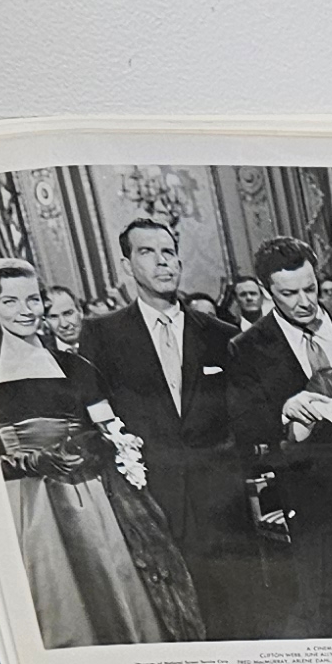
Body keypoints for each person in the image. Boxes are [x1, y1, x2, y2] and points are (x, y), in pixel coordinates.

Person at [0, 255, 203, 650]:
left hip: (88, 500)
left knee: (108, 590)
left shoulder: (76, 367)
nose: (25, 310)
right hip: (22, 504)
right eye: (10, 301)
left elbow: (112, 431)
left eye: (32, 299)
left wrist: (95, 446)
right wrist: (27, 462)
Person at [88, 214, 246, 636]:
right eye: (147, 252)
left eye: (169, 252)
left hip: (219, 498)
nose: (163, 262)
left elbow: (241, 414)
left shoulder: (221, 334)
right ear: (126, 266)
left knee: (235, 611)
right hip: (150, 495)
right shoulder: (101, 335)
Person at [224, 235, 332, 633]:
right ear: (266, 290)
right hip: (308, 487)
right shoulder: (247, 347)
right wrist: (287, 410)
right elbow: (246, 426)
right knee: (325, 596)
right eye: (289, 293)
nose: (305, 302)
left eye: (310, 288)